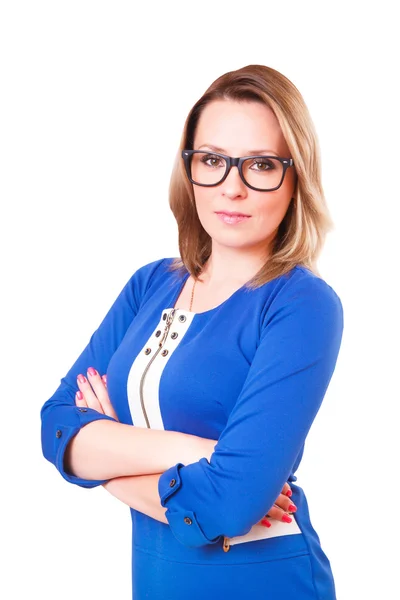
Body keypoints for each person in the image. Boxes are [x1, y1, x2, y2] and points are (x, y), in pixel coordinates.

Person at [40, 64, 344, 599]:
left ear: (296, 176)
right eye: (212, 161)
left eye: (262, 165)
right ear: (190, 169)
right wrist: (200, 451)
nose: (233, 186)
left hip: (263, 581)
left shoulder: (301, 304)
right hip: (157, 580)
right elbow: (56, 427)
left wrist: (103, 465)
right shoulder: (150, 285)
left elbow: (231, 503)